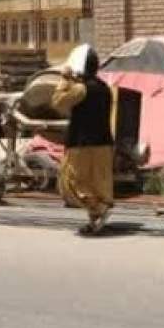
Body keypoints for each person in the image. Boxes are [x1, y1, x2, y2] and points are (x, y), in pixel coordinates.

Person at [52, 45, 114, 235]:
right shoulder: (105, 88)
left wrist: (64, 79)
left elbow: (57, 102)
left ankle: (99, 210)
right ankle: (95, 219)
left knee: (71, 183)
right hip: (103, 144)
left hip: (82, 145)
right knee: (96, 185)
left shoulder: (80, 89)